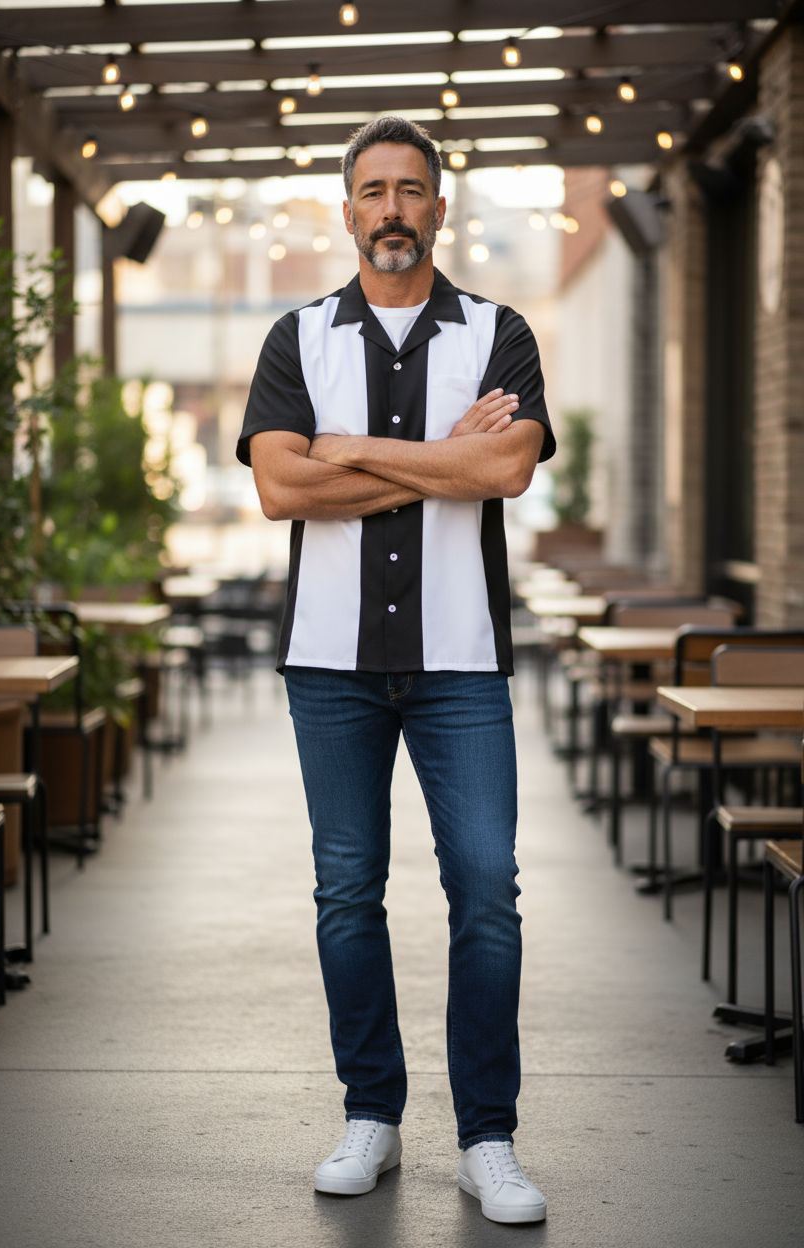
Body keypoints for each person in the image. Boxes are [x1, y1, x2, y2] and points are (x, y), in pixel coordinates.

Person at [237, 116, 555, 1225]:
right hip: (328, 665)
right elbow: (279, 489)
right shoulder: (300, 336)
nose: (391, 209)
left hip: (460, 666)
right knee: (344, 895)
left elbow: (506, 467)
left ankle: (488, 1138)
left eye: (409, 190)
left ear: (438, 208)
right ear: (346, 210)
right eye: (371, 191)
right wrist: (439, 463)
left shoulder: (496, 331)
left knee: (486, 896)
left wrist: (349, 449)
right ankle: (369, 1114)